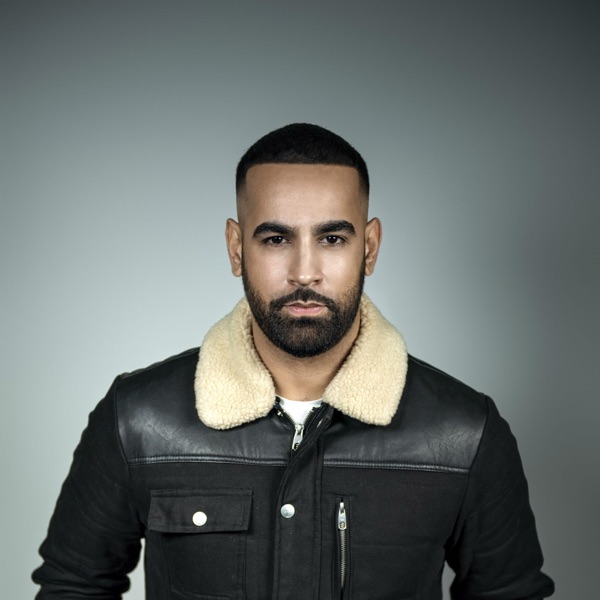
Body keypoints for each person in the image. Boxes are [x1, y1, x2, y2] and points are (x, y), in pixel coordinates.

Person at [33, 123, 554, 599]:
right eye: (276, 238)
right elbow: (72, 588)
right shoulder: (137, 420)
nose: (305, 272)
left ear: (370, 248)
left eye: (332, 238)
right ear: (236, 248)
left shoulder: (464, 434)